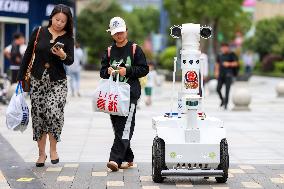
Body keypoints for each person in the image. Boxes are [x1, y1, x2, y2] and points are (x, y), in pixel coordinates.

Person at [17, 4, 74, 167]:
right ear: (52, 18)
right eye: (57, 19)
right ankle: (41, 154)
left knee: (54, 112)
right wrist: (21, 78)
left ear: (67, 22)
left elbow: (70, 61)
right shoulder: (39, 32)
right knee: (39, 116)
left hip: (58, 81)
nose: (59, 23)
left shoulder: (68, 38)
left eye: (63, 21)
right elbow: (28, 53)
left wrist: (63, 55)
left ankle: (53, 149)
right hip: (37, 80)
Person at [100, 17, 149, 171]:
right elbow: (102, 72)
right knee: (117, 126)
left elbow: (144, 69)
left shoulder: (135, 49)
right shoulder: (109, 51)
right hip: (113, 95)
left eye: (121, 32)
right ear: (111, 34)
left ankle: (115, 159)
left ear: (126, 31)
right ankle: (128, 157)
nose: (119, 35)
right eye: (116, 33)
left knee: (125, 126)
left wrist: (127, 71)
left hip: (130, 94)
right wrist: (107, 71)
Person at [215, 43, 238, 110]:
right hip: (221, 74)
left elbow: (236, 63)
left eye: (225, 47)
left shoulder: (231, 54)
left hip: (228, 74)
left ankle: (226, 104)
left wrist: (229, 64)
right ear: (221, 48)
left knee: (227, 90)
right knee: (218, 89)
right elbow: (217, 64)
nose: (224, 49)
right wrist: (216, 72)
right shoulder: (219, 55)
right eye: (223, 47)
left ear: (228, 48)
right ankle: (222, 100)